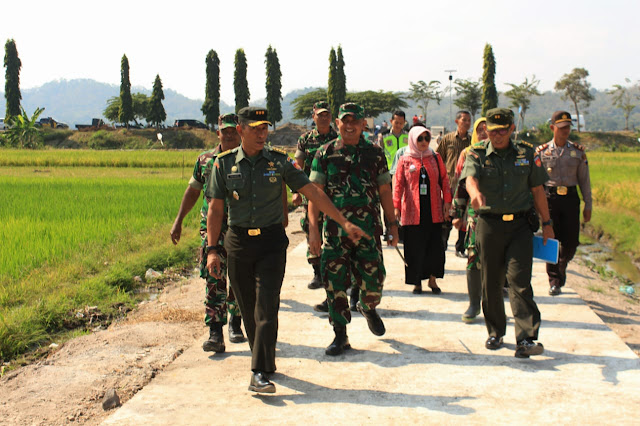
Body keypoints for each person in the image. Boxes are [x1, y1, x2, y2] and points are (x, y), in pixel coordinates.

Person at [206, 106, 367, 393]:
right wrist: (212, 250)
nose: (261, 133)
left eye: (264, 128)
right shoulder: (222, 164)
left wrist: (342, 220)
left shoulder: (279, 162)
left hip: (271, 244)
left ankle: (257, 372)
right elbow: (216, 210)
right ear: (240, 130)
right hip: (238, 244)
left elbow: (312, 191)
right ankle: (265, 361)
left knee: (266, 306)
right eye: (254, 128)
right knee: (247, 309)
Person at [461, 108, 554, 359]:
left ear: (512, 129)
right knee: (490, 282)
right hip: (489, 226)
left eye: (503, 131)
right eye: (493, 131)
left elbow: (537, 190)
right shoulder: (477, 153)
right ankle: (495, 331)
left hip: (520, 227)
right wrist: (475, 194)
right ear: (486, 130)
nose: (498, 136)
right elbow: (470, 178)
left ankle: (525, 338)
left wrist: (547, 223)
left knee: (519, 281)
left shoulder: (526, 152)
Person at [308, 102, 398, 357]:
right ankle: (340, 335)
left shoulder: (375, 153)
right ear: (338, 123)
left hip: (368, 230)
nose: (349, 126)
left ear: (362, 125)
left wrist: (393, 226)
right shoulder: (324, 154)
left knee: (374, 280)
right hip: (335, 234)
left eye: (354, 122)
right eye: (344, 121)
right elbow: (315, 194)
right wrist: (313, 230)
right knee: (335, 284)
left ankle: (367, 306)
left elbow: (384, 191)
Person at [170, 113, 245, 353]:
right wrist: (178, 220)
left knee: (239, 277)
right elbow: (192, 191)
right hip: (212, 230)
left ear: (240, 131)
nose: (230, 134)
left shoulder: (249, 159)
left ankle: (236, 321)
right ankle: (215, 331)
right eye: (226, 131)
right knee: (214, 277)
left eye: (234, 130)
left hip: (240, 227)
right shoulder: (205, 160)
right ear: (218, 133)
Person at [536, 111, 592, 296]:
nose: (565, 131)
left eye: (568, 127)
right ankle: (554, 281)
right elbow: (536, 183)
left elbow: (584, 180)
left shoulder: (578, 152)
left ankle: (561, 266)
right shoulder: (542, 152)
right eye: (562, 128)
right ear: (552, 128)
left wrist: (588, 204)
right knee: (551, 240)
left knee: (571, 242)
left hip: (570, 199)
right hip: (550, 198)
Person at [393, 126, 451, 295]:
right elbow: (398, 185)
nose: (424, 142)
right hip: (413, 211)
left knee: (435, 247)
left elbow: (445, 181)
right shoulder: (405, 160)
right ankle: (416, 281)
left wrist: (447, 201)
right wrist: (395, 206)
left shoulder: (435, 157)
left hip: (434, 210)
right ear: (412, 140)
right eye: (420, 139)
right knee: (414, 247)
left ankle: (432, 280)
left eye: (427, 138)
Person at [293, 101, 339, 312]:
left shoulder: (337, 138)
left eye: (326, 115)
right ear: (313, 116)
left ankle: (335, 274)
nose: (323, 118)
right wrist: (295, 190)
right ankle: (317, 272)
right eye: (320, 115)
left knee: (332, 233)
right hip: (311, 192)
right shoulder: (305, 139)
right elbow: (297, 166)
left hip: (333, 195)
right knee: (309, 227)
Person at [451, 117, 487, 322]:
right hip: (475, 215)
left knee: (495, 261)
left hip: (500, 215)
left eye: (486, 129)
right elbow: (462, 184)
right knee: (473, 256)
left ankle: (491, 304)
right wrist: (457, 213)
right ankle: (474, 303)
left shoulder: (505, 153)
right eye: (479, 129)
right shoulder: (469, 153)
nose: (483, 133)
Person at [437, 111, 472, 257]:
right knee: (447, 217)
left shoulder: (471, 142)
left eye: (469, 120)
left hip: (466, 185)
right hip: (450, 184)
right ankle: (442, 246)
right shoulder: (448, 139)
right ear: (457, 121)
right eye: (464, 120)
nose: (467, 123)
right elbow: (439, 158)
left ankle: (460, 247)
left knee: (463, 216)